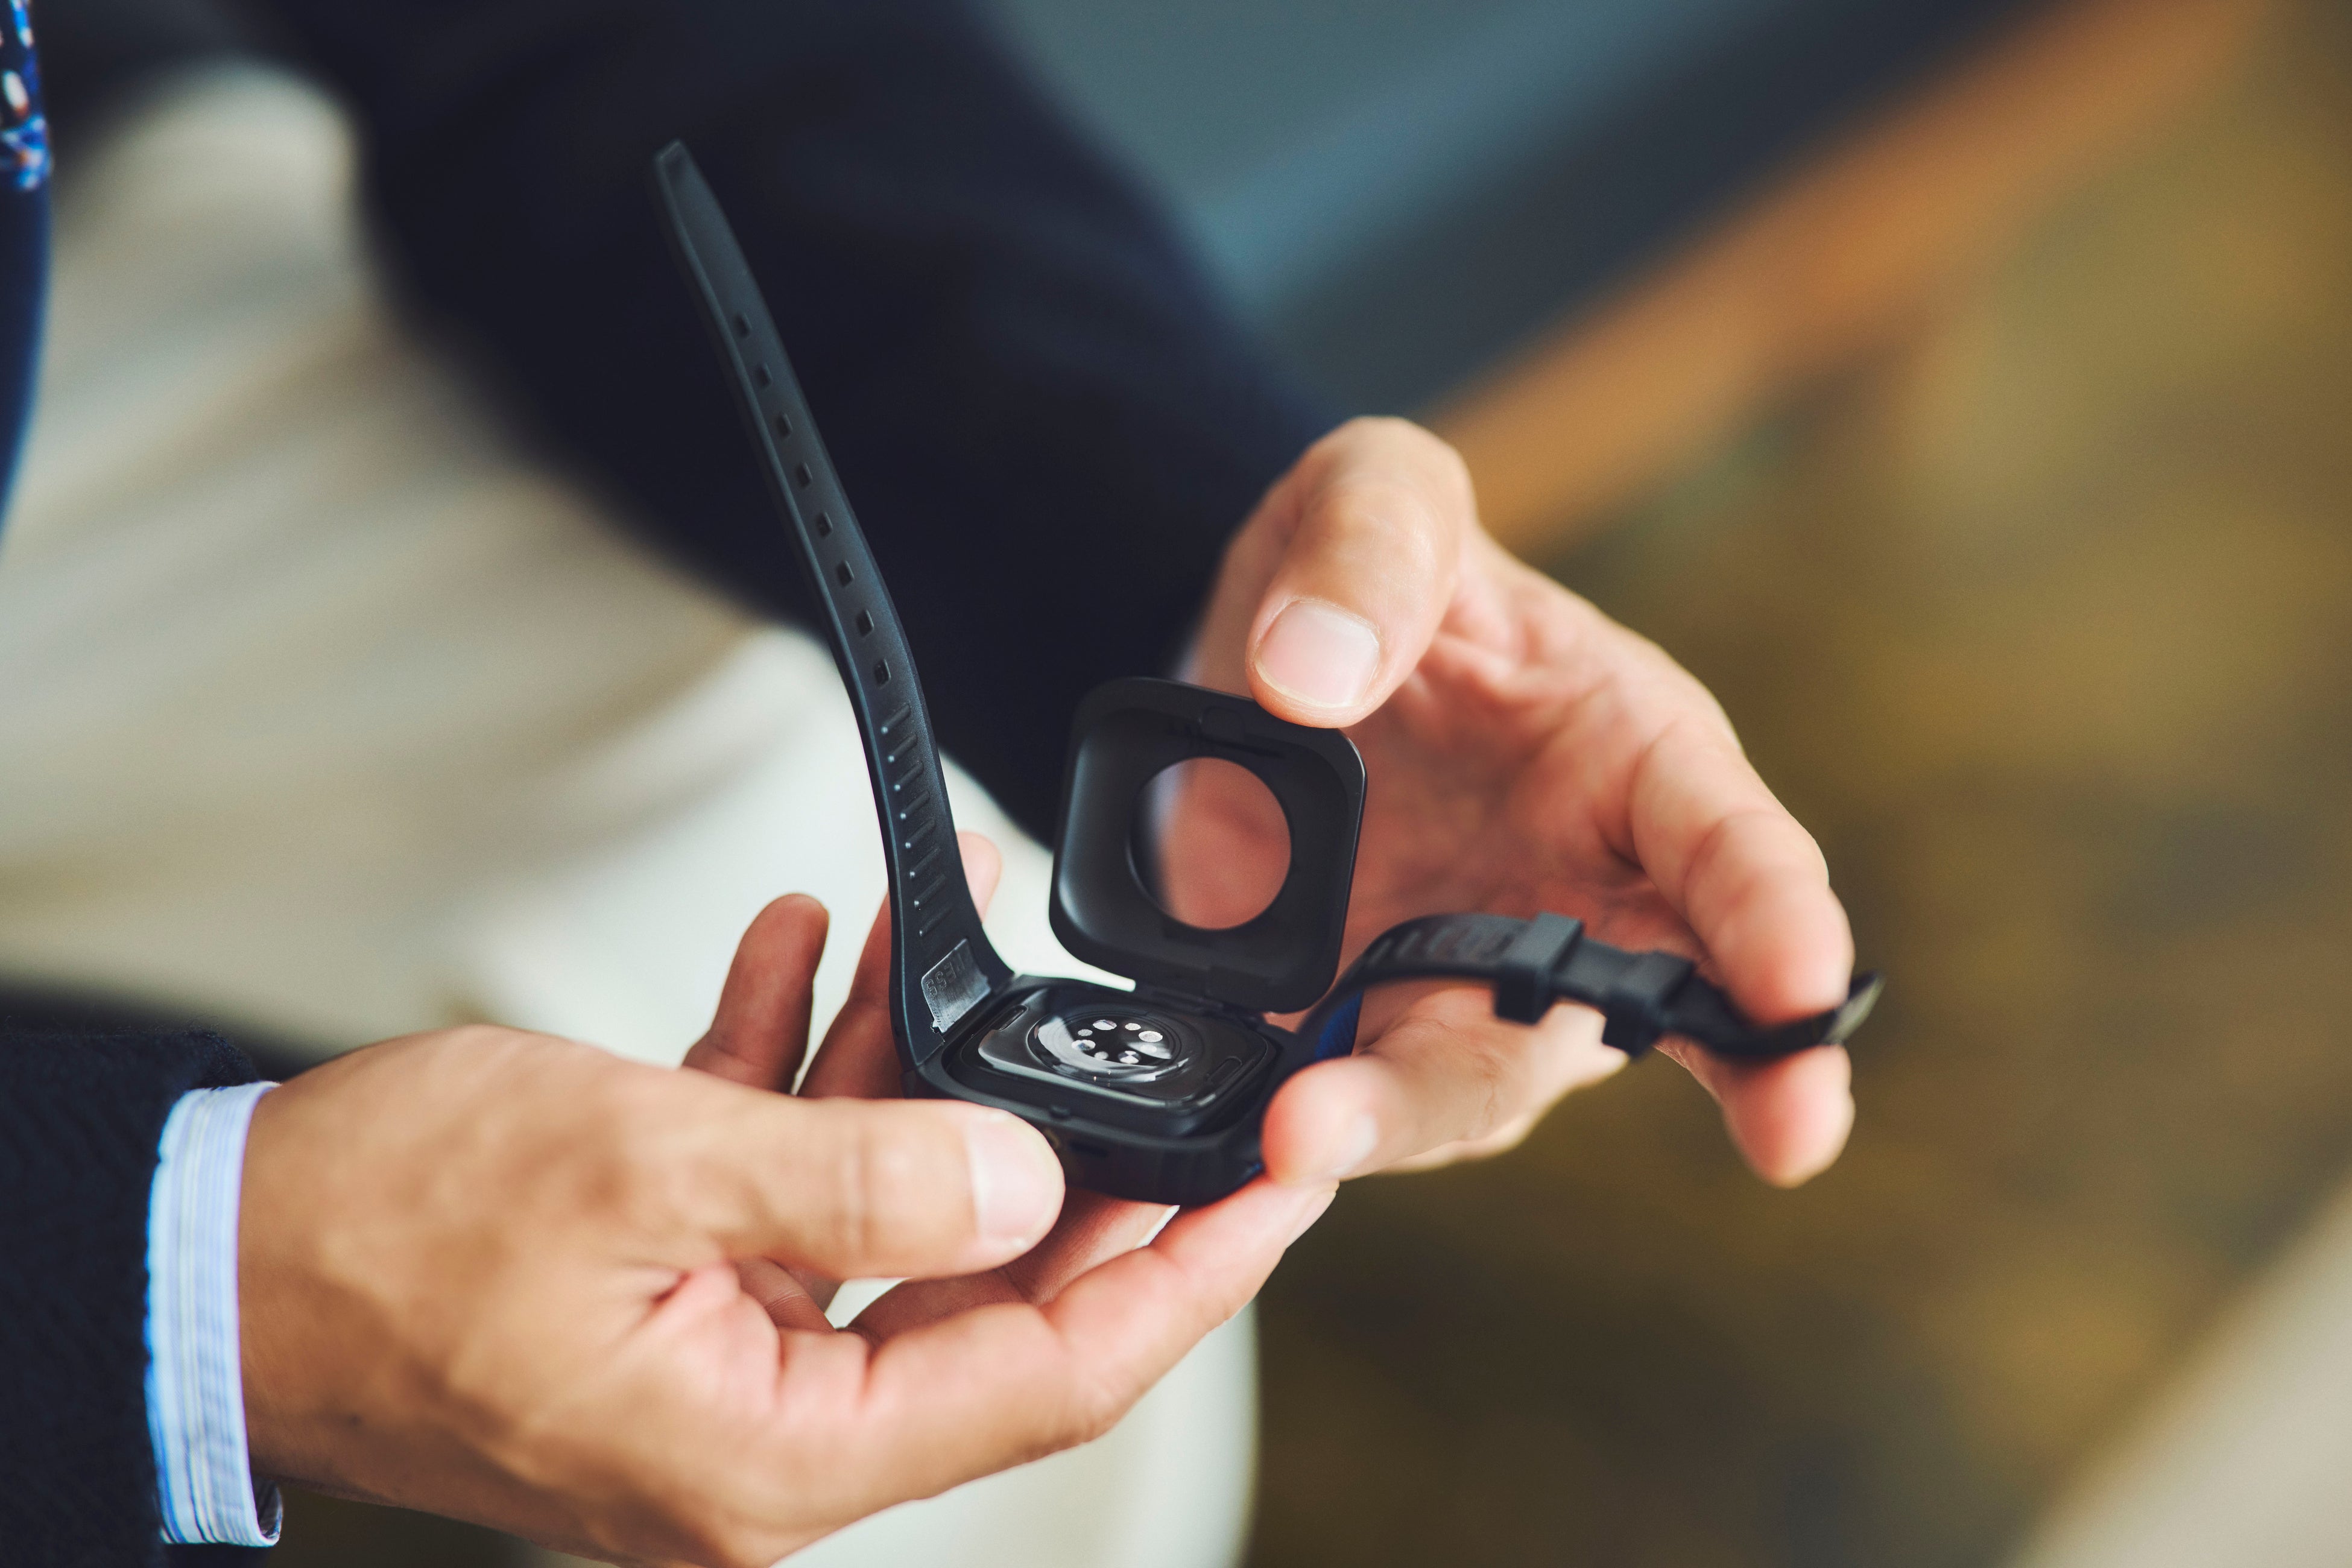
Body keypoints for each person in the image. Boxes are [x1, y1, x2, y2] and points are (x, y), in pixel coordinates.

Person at [0, 1, 1861, 1563]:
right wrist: (171, 1288)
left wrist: (1198, 606)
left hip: (66, 257)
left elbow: (601, 38)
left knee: (1031, 1417)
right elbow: (165, 1291)